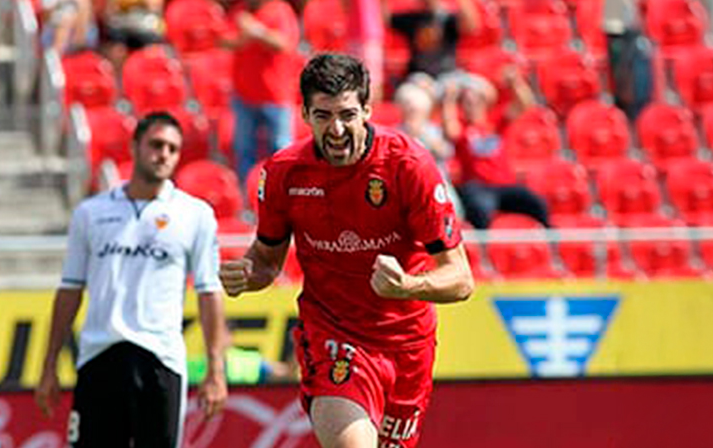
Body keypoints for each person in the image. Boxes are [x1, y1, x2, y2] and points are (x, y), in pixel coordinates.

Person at [219, 53, 474, 448]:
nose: (336, 129)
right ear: (304, 113)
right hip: (333, 335)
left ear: (368, 110)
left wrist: (407, 285)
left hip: (408, 343)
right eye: (323, 116)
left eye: (347, 115)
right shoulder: (284, 173)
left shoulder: (408, 166)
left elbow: (461, 279)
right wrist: (246, 274)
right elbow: (266, 261)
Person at [35, 111, 229, 448]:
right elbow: (69, 289)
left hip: (161, 359)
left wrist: (216, 370)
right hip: (99, 355)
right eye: (156, 144)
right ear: (135, 146)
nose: (164, 154)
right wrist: (49, 365)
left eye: (173, 148)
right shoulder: (91, 213)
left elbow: (209, 291)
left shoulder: (194, 215)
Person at [439, 75, 550, 230]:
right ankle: (484, 251)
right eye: (467, 102)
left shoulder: (495, 121)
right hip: (478, 187)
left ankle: (553, 245)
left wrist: (515, 82)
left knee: (536, 203)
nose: (472, 105)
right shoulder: (463, 128)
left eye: (476, 101)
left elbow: (526, 104)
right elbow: (450, 129)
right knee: (480, 209)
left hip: (504, 185)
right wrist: (449, 99)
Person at [224, 0, 300, 183]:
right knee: (244, 151)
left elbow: (284, 43)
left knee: (281, 150)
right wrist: (242, 37)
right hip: (244, 95)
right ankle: (248, 196)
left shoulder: (280, 9)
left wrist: (256, 31)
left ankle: (283, 193)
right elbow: (225, 40)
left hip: (275, 96)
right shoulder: (240, 10)